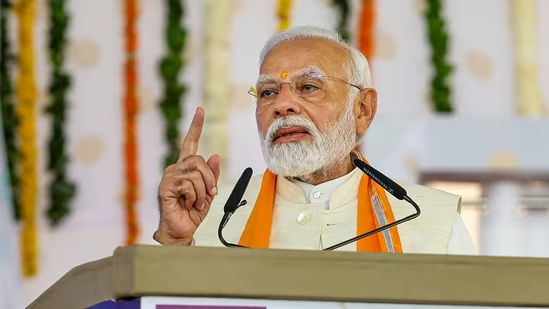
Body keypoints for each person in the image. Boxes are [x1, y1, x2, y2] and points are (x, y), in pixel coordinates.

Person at [153, 26, 477, 255]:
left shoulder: (432, 217)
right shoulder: (211, 216)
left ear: (363, 110)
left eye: (308, 87)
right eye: (268, 92)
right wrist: (174, 240)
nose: (281, 105)